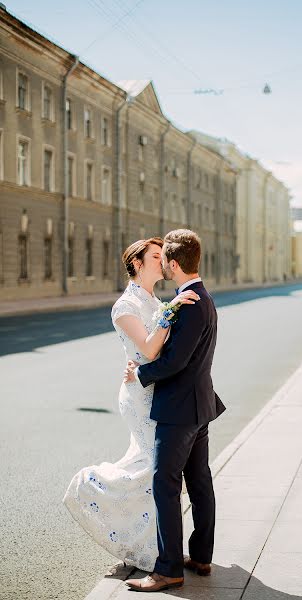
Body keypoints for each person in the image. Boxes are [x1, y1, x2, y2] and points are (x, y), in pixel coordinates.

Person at [63, 236, 200, 573]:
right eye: (156, 256)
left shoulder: (153, 300)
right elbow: (150, 351)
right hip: (140, 395)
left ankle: (157, 547)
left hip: (156, 388)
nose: (163, 260)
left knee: (157, 472)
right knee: (157, 470)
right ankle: (90, 486)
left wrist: (169, 311)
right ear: (137, 263)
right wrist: (171, 313)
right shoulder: (126, 306)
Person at [123, 229, 225, 592]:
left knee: (165, 485)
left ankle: (168, 569)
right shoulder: (201, 297)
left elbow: (176, 361)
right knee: (199, 482)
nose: (162, 264)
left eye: (164, 258)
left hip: (179, 410)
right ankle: (200, 555)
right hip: (198, 406)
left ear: (174, 263)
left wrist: (140, 374)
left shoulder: (190, 301)